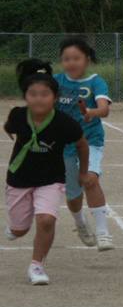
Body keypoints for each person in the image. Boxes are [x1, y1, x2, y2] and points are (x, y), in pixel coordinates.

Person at [5, 60, 89, 285]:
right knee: (19, 230)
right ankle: (15, 227)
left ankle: (37, 265)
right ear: (25, 96)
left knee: (45, 220)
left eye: (44, 94)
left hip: (51, 178)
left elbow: (82, 144)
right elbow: (9, 127)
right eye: (33, 94)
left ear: (54, 97)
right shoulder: (18, 116)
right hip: (19, 178)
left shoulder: (65, 123)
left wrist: (83, 172)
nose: (38, 98)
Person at [54, 38, 114, 252]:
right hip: (64, 146)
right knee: (73, 194)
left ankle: (103, 231)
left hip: (91, 141)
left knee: (90, 179)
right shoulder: (56, 81)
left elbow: (104, 109)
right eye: (66, 59)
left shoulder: (95, 81)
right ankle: (80, 222)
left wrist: (91, 113)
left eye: (76, 58)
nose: (71, 63)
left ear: (86, 59)